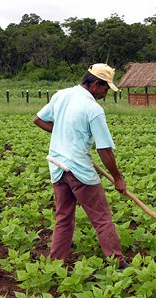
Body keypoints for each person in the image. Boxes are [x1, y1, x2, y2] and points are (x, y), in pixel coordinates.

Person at [33, 63, 128, 269]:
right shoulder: (93, 109)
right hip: (79, 171)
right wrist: (118, 178)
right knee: (102, 219)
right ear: (94, 84)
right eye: (105, 88)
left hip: (57, 167)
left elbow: (38, 120)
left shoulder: (62, 95)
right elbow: (104, 149)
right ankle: (118, 263)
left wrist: (65, 135)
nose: (105, 93)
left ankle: (55, 265)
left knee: (63, 218)